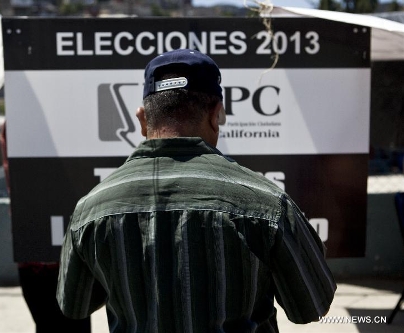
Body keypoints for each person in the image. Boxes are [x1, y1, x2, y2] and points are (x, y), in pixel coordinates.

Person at [57, 49, 336, 332]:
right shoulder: (267, 203)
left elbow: (73, 305)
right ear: (216, 115)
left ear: (142, 120)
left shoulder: (90, 209)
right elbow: (311, 305)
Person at [0, 123, 91, 333]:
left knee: (73, 323)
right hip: (37, 256)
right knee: (50, 323)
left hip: (68, 257)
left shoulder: (71, 121)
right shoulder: (18, 122)